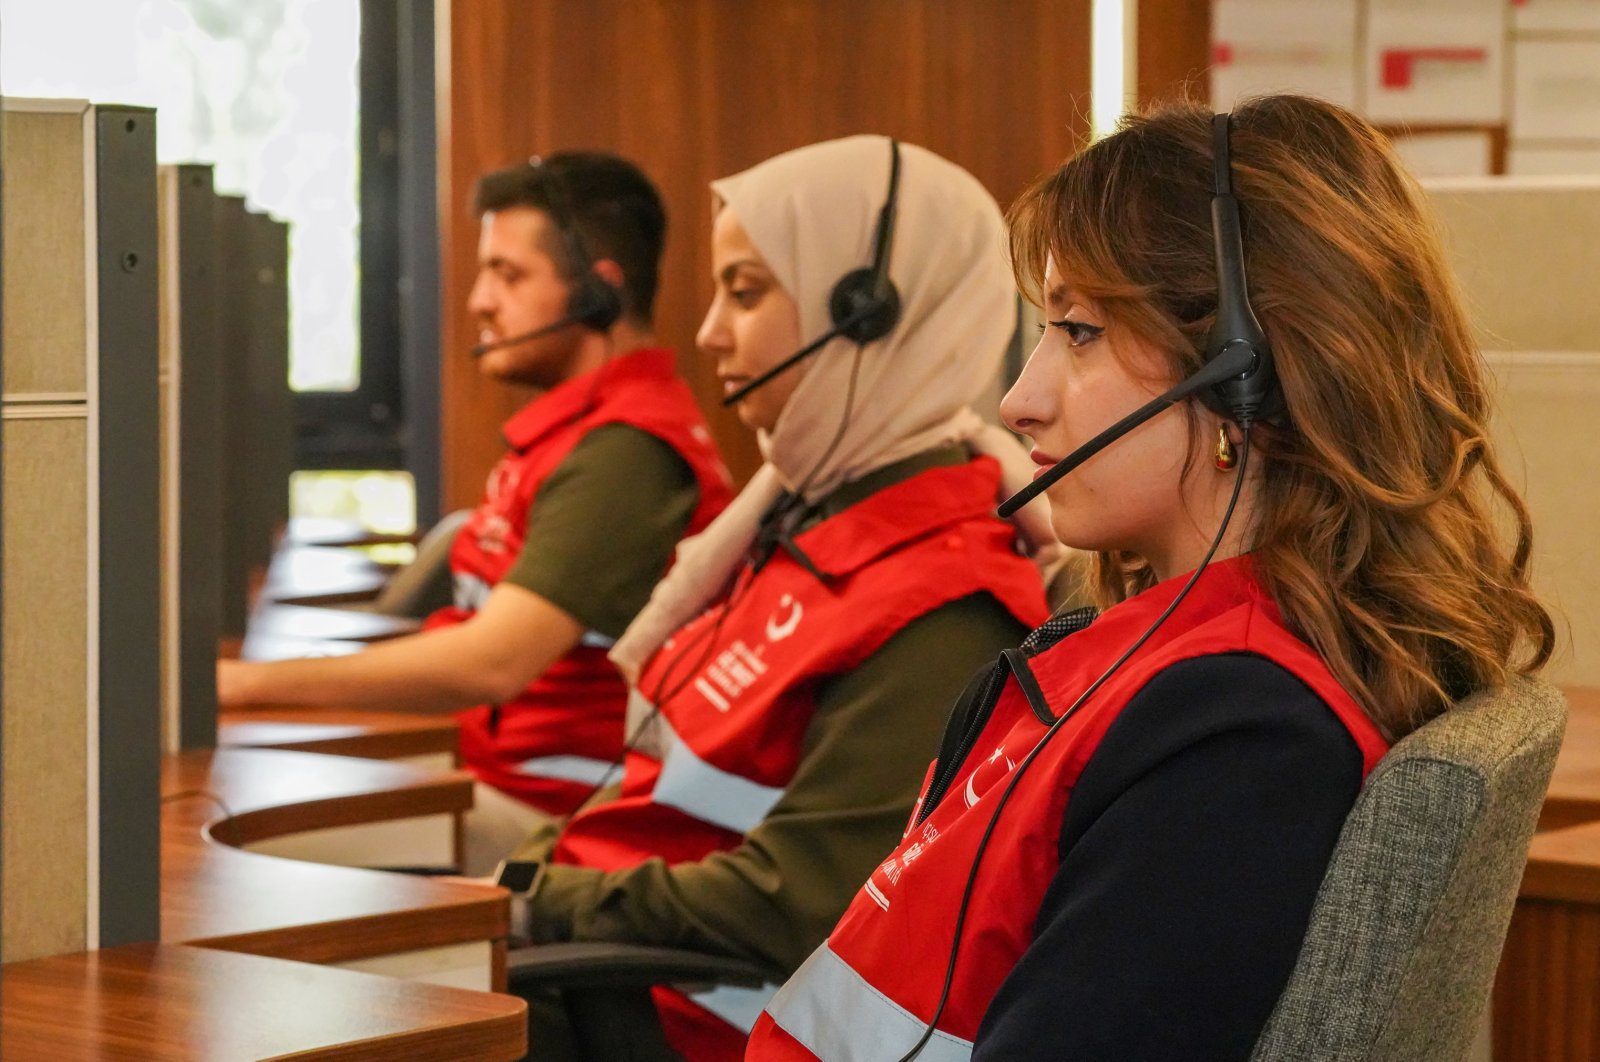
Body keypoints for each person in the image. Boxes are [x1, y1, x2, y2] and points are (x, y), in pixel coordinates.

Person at [748, 95, 1556, 1061]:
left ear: (1244, 372)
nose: (1019, 400)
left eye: (1078, 332)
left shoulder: (1236, 736)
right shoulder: (1161, 660)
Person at [498, 136, 1059, 1060]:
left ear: (867, 316)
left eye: (746, 292)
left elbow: (798, 897)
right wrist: (534, 880)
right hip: (612, 965)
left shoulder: (947, 604)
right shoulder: (800, 528)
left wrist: (532, 896)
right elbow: (667, 793)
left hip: (682, 1019)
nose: (710, 330)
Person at [218, 153, 733, 872]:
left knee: (225, 841)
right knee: (230, 812)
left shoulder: (627, 454)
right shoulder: (574, 434)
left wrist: (247, 685)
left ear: (598, 294)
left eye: (509, 274)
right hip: (493, 780)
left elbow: (495, 662)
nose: (479, 301)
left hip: (559, 821)